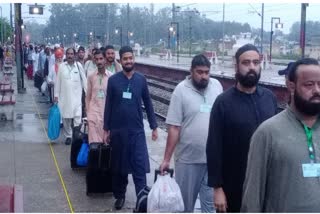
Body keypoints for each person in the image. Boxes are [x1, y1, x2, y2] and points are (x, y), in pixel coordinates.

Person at [241, 58, 320, 212]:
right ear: (291, 86)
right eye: (309, 85)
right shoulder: (268, 133)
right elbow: (252, 195)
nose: (317, 90)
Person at [206, 44, 278, 212]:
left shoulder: (269, 98)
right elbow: (214, 147)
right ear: (236, 65)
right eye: (246, 63)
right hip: (233, 185)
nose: (252, 67)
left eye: (256, 62)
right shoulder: (223, 103)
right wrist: (217, 189)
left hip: (266, 184)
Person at [159, 54, 223, 212]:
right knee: (185, 205)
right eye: (199, 72)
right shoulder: (181, 91)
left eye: (207, 72)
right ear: (191, 71)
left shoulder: (217, 86)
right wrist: (166, 159)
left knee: (210, 207)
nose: (204, 76)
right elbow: (174, 127)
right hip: (188, 160)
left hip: (212, 160)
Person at [103, 46, 158, 210]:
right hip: (118, 132)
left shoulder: (141, 80)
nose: (128, 61)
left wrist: (154, 126)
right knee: (119, 168)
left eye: (131, 58)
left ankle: (141, 199)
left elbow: (148, 103)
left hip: (137, 132)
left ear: (134, 59)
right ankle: (120, 196)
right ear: (121, 60)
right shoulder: (113, 81)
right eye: (125, 58)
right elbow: (109, 106)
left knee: (139, 166)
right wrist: (106, 129)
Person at [54, 47, 87, 145]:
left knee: (77, 117)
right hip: (64, 98)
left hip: (77, 99)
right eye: (68, 54)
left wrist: (88, 95)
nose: (70, 56)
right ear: (65, 55)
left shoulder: (79, 66)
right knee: (66, 118)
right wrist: (56, 95)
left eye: (72, 54)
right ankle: (68, 136)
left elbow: (84, 82)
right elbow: (58, 82)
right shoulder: (62, 67)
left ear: (74, 55)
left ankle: (76, 136)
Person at [86, 49, 112, 143]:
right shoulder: (91, 76)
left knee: (105, 143)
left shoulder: (111, 77)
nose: (99, 61)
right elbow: (88, 96)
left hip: (106, 115)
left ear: (105, 59)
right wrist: (88, 113)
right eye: (96, 59)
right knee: (93, 145)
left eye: (101, 59)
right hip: (93, 115)